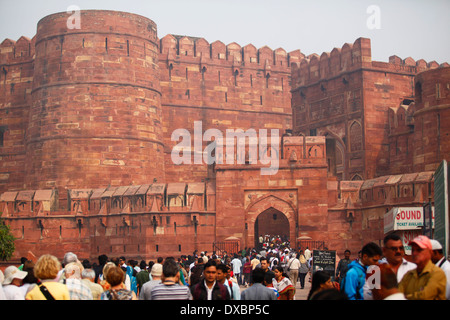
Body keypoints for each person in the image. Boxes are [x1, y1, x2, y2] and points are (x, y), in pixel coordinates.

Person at [399, 235, 446, 300]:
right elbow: (397, 294)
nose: (415, 253)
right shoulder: (409, 275)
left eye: (419, 250)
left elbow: (425, 296)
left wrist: (404, 297)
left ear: (430, 252)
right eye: (413, 250)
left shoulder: (437, 273)